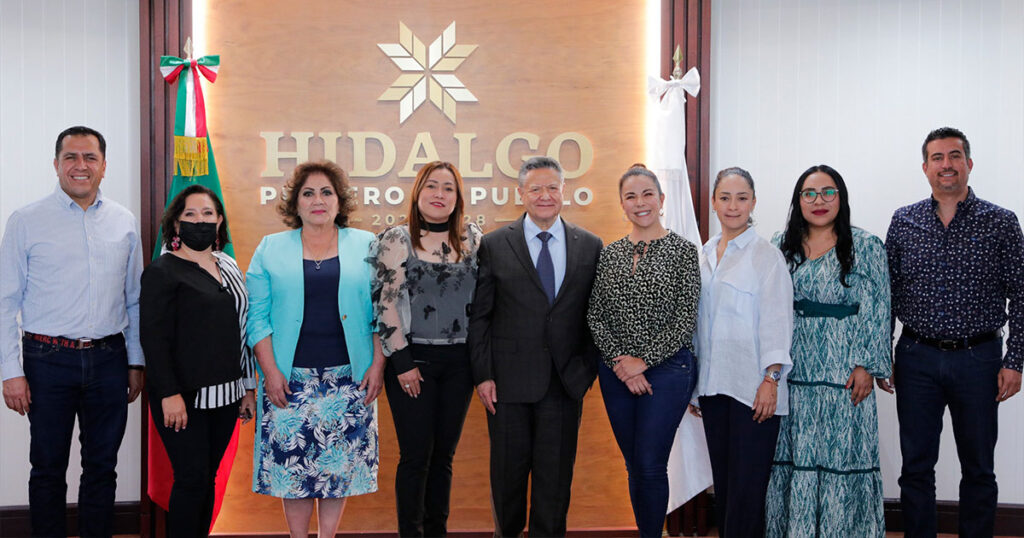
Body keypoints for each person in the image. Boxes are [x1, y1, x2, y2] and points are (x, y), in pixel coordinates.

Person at [0, 126, 144, 537]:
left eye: (90, 158)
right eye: (71, 157)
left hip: (109, 360)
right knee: (47, 466)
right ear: (57, 164)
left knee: (102, 466)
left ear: (103, 166)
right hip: (47, 361)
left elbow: (133, 298)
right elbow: (5, 301)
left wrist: (135, 361)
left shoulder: (124, 221)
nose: (80, 166)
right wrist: (11, 371)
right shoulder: (26, 221)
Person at [883, 127, 1024, 537]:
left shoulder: (1000, 222)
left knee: (979, 468)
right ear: (925, 167)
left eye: (955, 156)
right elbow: (887, 295)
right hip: (916, 357)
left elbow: (1022, 294)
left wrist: (1014, 361)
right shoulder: (904, 221)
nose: (947, 164)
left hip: (979, 361)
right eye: (938, 157)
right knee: (916, 468)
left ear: (969, 163)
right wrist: (882, 355)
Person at [246, 161, 385, 538]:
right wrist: (270, 372)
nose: (318, 200)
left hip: (350, 378)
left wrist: (378, 364)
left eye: (326, 192)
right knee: (294, 469)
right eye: (308, 193)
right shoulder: (270, 248)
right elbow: (257, 318)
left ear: (340, 202)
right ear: (296, 203)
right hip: (289, 380)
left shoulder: (366, 245)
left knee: (337, 470)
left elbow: (382, 311)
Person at [468, 156, 603, 538]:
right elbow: (481, 317)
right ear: (521, 194)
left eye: (552, 188)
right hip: (507, 385)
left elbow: (597, 315)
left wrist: (585, 370)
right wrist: (483, 375)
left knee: (555, 483)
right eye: (536, 189)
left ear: (564, 192)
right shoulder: (495, 244)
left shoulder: (589, 245)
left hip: (564, 384)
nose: (545, 196)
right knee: (507, 481)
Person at [764, 165, 890, 537]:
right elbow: (769, 307)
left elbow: (878, 306)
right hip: (796, 368)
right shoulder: (779, 245)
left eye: (828, 192)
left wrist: (867, 364)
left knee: (843, 457)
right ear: (797, 200)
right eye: (809, 193)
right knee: (795, 456)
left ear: (842, 197)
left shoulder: (866, 245)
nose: (819, 201)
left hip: (846, 370)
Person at [586, 164, 700, 537]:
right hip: (616, 371)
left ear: (662, 200)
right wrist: (622, 365)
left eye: (647, 194)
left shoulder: (683, 252)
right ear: (622, 205)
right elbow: (596, 315)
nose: (640, 203)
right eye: (631, 196)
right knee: (634, 464)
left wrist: (643, 362)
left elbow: (685, 319)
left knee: (651, 464)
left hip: (668, 371)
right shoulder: (610, 253)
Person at [371, 161, 482, 537]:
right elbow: (385, 304)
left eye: (448, 188)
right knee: (416, 457)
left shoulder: (473, 238)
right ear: (418, 193)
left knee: (444, 458)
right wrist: (401, 363)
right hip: (411, 361)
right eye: (431, 186)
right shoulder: (397, 238)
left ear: (457, 197)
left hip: (460, 365)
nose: (439, 194)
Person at [140, 185, 257, 536]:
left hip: (228, 396)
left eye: (208, 214)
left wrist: (248, 387)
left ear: (219, 221)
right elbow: (154, 340)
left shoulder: (229, 265)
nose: (200, 221)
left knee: (208, 479)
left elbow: (243, 329)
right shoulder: (163, 271)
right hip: (184, 399)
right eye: (190, 214)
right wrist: (168, 394)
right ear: (175, 224)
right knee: (190, 480)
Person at [690, 166, 793, 537]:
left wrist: (771, 378)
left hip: (754, 390)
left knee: (748, 490)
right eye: (725, 197)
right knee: (726, 486)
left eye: (742, 198)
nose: (733, 206)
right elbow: (699, 326)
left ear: (753, 202)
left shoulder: (766, 256)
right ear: (713, 202)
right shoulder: (703, 255)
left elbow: (778, 323)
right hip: (714, 388)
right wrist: (694, 387)